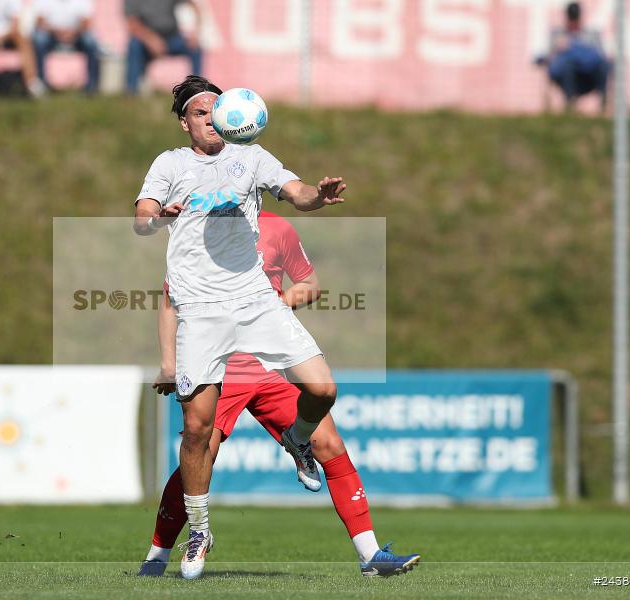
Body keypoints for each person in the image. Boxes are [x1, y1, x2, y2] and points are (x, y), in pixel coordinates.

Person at [133, 75, 343, 580]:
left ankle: (299, 438)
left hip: (254, 299)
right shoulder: (170, 164)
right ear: (185, 122)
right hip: (200, 311)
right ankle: (200, 528)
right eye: (200, 113)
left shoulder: (252, 156)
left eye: (216, 110)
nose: (211, 118)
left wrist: (319, 193)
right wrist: (160, 212)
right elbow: (140, 219)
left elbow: (295, 193)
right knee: (198, 430)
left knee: (322, 388)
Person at [138, 211, 421, 579]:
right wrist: (169, 363)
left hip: (271, 364)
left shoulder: (277, 227)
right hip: (220, 365)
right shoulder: (198, 227)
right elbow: (170, 298)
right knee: (200, 454)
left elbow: (310, 283)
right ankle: (157, 558)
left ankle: (370, 557)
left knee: (330, 443)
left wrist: (270, 308)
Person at [537, 2, 610, 111]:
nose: (573, 22)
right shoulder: (558, 34)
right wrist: (557, 49)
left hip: (588, 76)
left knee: (604, 65)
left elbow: (602, 56)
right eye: (572, 18)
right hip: (566, 77)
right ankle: (569, 104)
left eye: (575, 18)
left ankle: (603, 103)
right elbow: (547, 58)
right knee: (568, 64)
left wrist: (585, 49)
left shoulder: (591, 34)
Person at [124, 0, 203, 95]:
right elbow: (132, 24)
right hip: (145, 39)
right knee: (134, 46)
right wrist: (151, 40)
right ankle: (131, 91)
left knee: (195, 48)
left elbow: (193, 5)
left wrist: (195, 32)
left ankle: (198, 90)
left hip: (172, 37)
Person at [32, 0, 101, 94]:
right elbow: (40, 22)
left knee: (90, 42)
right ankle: (40, 85)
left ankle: (91, 87)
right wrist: (57, 32)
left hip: (76, 35)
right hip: (52, 35)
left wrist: (72, 33)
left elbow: (86, 22)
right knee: (40, 40)